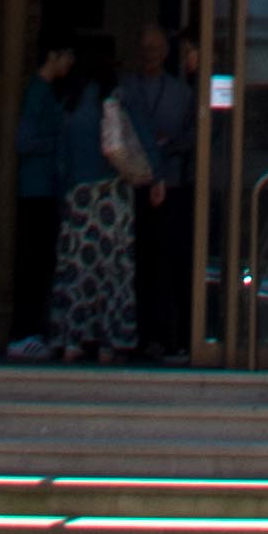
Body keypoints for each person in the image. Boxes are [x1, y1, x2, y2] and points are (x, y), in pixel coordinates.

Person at [111, 18, 198, 363]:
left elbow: (194, 135)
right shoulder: (125, 87)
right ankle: (136, 334)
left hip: (170, 187)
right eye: (144, 48)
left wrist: (169, 147)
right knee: (133, 263)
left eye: (156, 48)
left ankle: (168, 336)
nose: (149, 54)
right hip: (129, 187)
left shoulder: (182, 93)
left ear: (165, 52)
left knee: (166, 262)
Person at [46, 73, 139, 368]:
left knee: (77, 271)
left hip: (80, 195)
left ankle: (72, 340)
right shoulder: (115, 99)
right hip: (112, 193)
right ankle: (110, 344)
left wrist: (64, 194)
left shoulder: (69, 106)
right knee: (113, 272)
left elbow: (61, 160)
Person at [7, 42, 92, 358]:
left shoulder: (46, 91)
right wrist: (57, 139)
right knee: (32, 263)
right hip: (35, 191)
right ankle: (23, 334)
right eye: (67, 54)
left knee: (41, 263)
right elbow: (24, 140)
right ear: (52, 54)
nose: (70, 61)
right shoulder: (38, 91)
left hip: (45, 190)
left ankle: (29, 332)